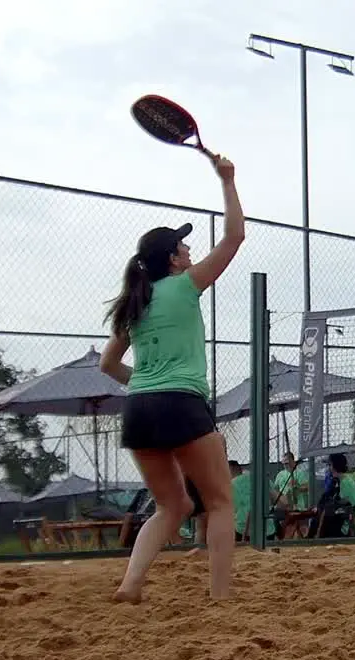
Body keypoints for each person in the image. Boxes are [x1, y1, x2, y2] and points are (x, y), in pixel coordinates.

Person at [99, 151, 245, 602]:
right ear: (174, 260)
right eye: (183, 246)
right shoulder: (186, 285)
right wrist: (227, 180)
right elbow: (236, 236)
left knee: (172, 505)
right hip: (181, 403)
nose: (189, 250)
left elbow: (108, 365)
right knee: (220, 503)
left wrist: (147, 385)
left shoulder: (135, 303)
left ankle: (131, 584)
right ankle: (221, 598)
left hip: (139, 408)